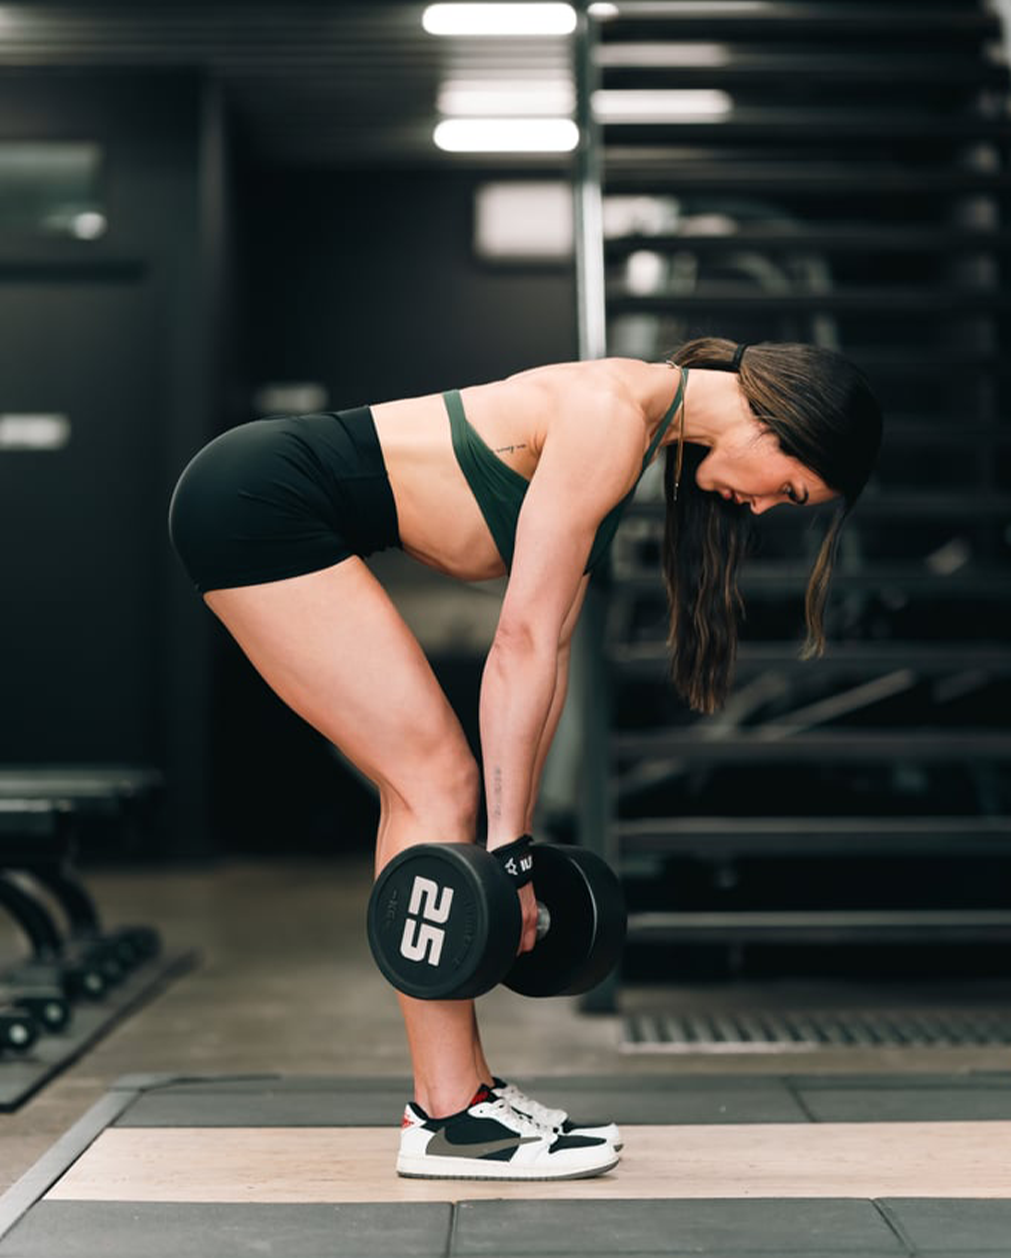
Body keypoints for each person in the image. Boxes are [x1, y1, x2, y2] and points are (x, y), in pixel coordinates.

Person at [168, 336, 882, 1180]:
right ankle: (447, 1116)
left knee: (443, 786)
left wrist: (522, 842)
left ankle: (457, 1096)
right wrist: (505, 863)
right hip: (259, 500)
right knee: (435, 784)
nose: (765, 511)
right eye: (789, 492)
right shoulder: (611, 415)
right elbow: (519, 642)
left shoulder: (641, 428)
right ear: (774, 428)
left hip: (272, 502)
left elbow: (549, 661)